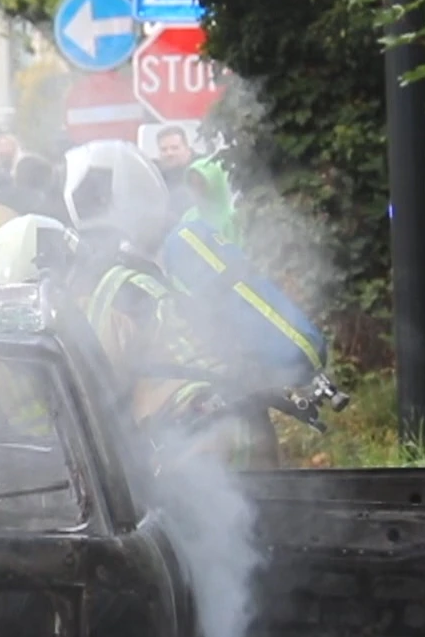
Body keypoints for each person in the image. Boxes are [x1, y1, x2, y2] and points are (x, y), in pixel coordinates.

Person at [55, 140, 279, 469]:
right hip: (236, 429)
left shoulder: (107, 287)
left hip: (204, 444)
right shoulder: (155, 271)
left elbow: (99, 393)